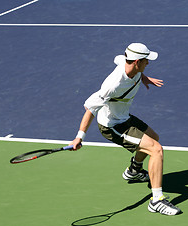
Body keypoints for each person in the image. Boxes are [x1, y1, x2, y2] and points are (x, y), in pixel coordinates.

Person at [70, 43, 181, 215]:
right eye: (146, 61)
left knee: (154, 137)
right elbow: (90, 109)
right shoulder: (113, 85)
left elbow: (125, 63)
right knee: (156, 150)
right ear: (137, 62)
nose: (148, 64)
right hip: (112, 125)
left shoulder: (128, 63)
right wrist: (80, 136)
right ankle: (157, 200)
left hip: (124, 117)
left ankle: (134, 170)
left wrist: (144, 78)